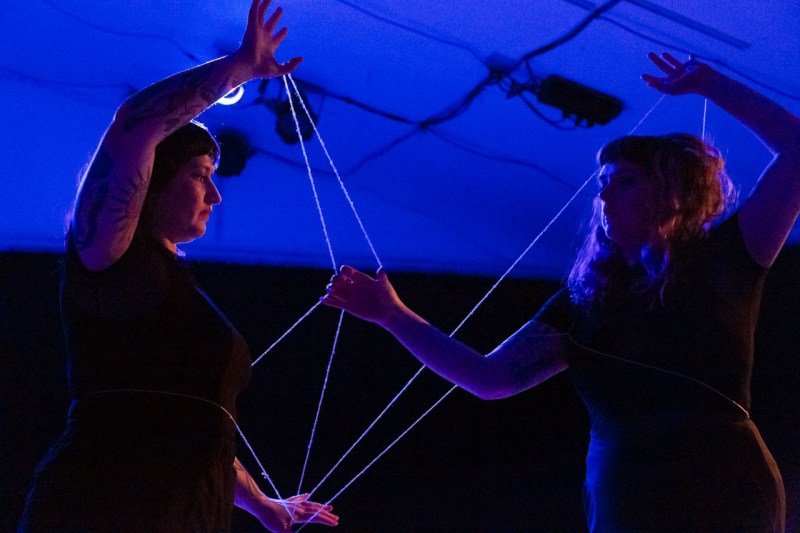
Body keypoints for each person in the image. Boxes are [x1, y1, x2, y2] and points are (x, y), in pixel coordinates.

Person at [322, 53, 800, 531]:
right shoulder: (584, 301)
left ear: (672, 191)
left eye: (625, 182)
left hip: (726, 482)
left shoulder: (728, 255)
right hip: (629, 490)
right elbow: (490, 378)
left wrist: (713, 85)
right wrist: (391, 314)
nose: (604, 198)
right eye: (602, 186)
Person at [18, 1, 339, 531]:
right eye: (199, 174)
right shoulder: (107, 253)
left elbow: (195, 422)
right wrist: (239, 67)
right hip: (108, 498)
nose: (215, 194)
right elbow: (134, 125)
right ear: (151, 181)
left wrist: (266, 508)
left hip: (188, 509)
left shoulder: (185, 296)